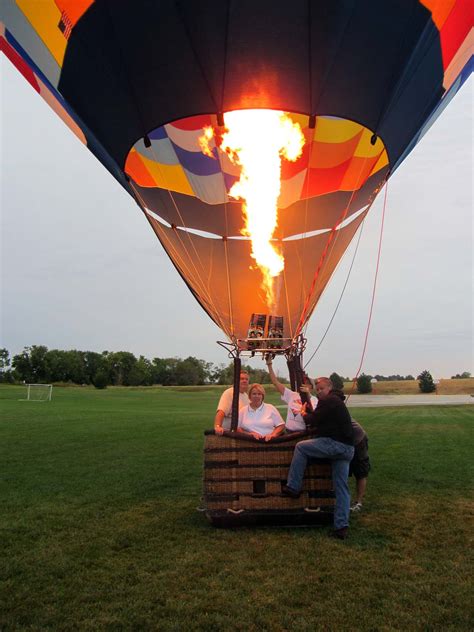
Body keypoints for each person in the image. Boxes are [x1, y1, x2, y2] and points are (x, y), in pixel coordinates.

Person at [282, 377, 354, 540]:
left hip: (335, 444)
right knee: (341, 488)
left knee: (301, 447)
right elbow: (321, 421)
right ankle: (341, 527)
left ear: (329, 387)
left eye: (321, 388)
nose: (319, 391)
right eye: (318, 389)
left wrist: (303, 413)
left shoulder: (327, 400)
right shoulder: (337, 400)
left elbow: (313, 420)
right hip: (348, 449)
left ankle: (293, 487)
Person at [265, 357, 318, 432]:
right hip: (289, 432)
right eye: (303, 382)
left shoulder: (314, 400)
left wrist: (307, 395)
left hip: (303, 433)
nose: (304, 384)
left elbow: (313, 414)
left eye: (308, 384)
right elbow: (276, 383)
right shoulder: (292, 395)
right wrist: (269, 365)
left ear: (312, 387)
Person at [349, 419, 371, 512]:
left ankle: (358, 503)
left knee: (360, 472)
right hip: (349, 441)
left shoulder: (332, 408)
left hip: (358, 440)